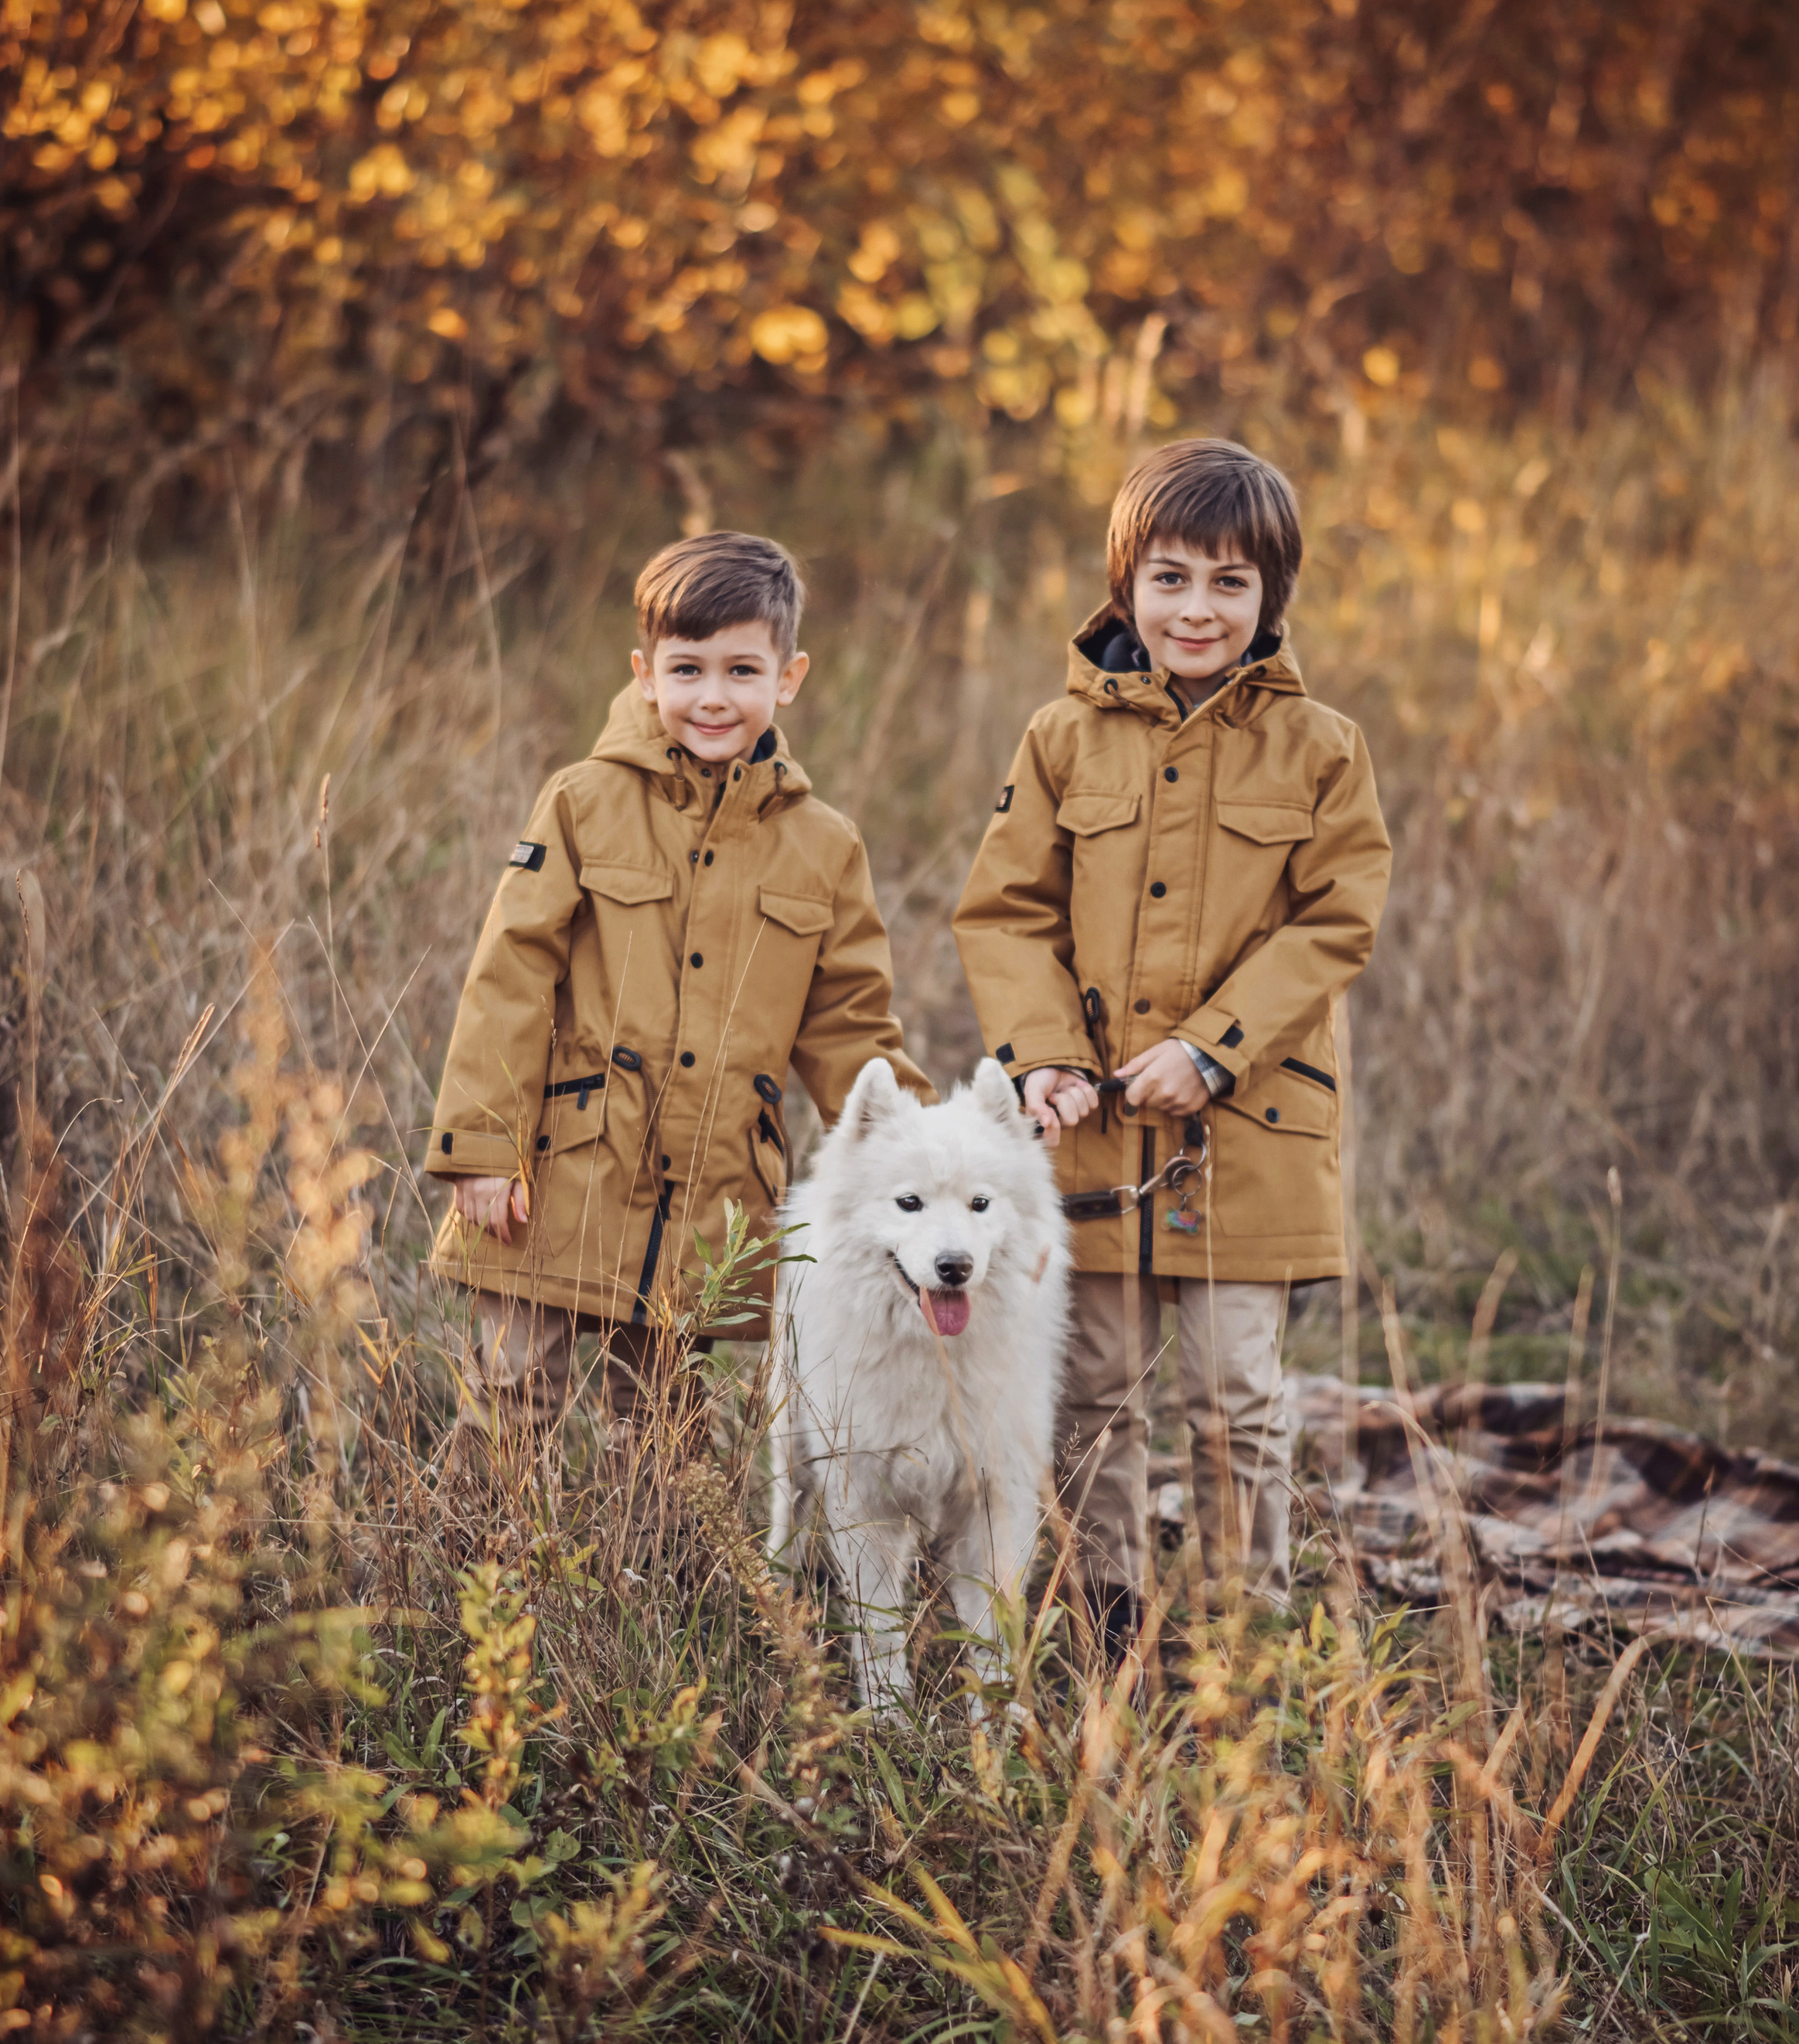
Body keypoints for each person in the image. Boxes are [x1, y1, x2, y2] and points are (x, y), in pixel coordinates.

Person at [952, 437, 1391, 1644]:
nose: (1198, 608)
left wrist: (1212, 1047)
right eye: (1172, 578)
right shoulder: (1061, 738)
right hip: (1088, 1136)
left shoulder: (1323, 750)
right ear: (1124, 585)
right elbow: (1004, 912)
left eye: (1230, 583)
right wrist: (1039, 1053)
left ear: (1272, 598)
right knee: (1094, 1388)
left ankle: (1238, 1624)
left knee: (1235, 1394)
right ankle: (1106, 1611)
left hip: (1248, 1131)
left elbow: (1337, 920)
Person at [424, 529, 931, 1460]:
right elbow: (510, 972)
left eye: (741, 670)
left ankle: (653, 1592)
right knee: (510, 1398)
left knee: (662, 1423)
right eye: (687, 668)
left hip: (708, 1185)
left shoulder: (824, 845)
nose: (711, 697)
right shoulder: (582, 802)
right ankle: (479, 1582)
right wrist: (480, 1143)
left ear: (789, 677)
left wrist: (936, 1157)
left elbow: (849, 1022)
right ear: (644, 673)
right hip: (561, 1168)